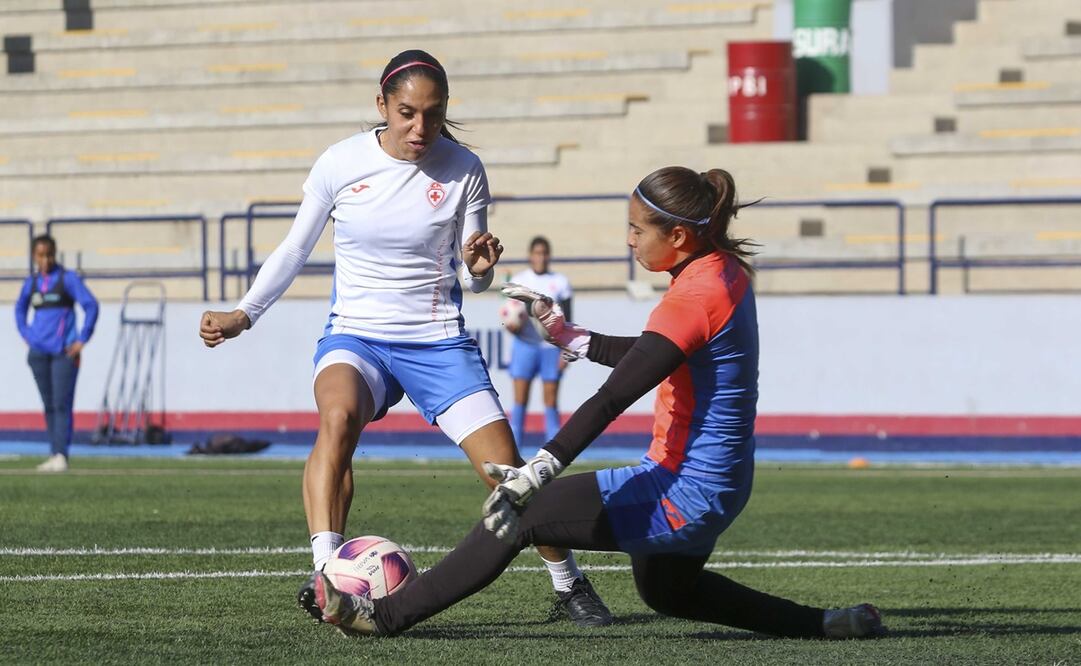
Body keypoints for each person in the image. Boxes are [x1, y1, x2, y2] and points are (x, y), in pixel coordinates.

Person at [314, 166, 886, 640]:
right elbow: (658, 353)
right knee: (667, 591)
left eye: (638, 229)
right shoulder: (719, 272)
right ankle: (828, 624)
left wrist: (540, 468)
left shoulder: (698, 294)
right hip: (709, 483)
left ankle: (382, 616)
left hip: (686, 489)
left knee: (519, 516)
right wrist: (571, 337)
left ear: (679, 237)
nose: (630, 239)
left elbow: (617, 395)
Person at [198, 49, 611, 627]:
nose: (420, 127)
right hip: (357, 337)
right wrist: (246, 312)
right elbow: (295, 247)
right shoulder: (340, 163)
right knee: (337, 418)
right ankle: (328, 575)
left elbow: (473, 274)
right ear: (382, 106)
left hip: (438, 342)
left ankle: (568, 585)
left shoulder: (465, 168)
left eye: (433, 114)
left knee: (506, 470)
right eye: (407, 112)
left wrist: (482, 266)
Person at [15, 234, 99, 473]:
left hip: (64, 353)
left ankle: (62, 453)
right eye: (40, 255)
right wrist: (27, 334)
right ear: (34, 256)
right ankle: (53, 452)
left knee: (62, 404)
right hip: (38, 353)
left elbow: (91, 305)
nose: (45, 260)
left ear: (55, 254)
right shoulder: (31, 284)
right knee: (49, 405)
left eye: (49, 254)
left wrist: (82, 338)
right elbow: (20, 310)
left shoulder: (67, 279)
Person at [505, 236, 573, 446]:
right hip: (525, 344)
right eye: (537, 253)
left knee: (551, 400)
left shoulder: (560, 282)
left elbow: (568, 318)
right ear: (530, 256)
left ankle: (552, 453)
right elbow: (509, 318)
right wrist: (512, 325)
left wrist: (565, 350)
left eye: (544, 253)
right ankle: (514, 452)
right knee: (520, 400)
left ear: (549, 256)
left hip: (550, 347)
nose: (540, 257)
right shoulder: (519, 280)